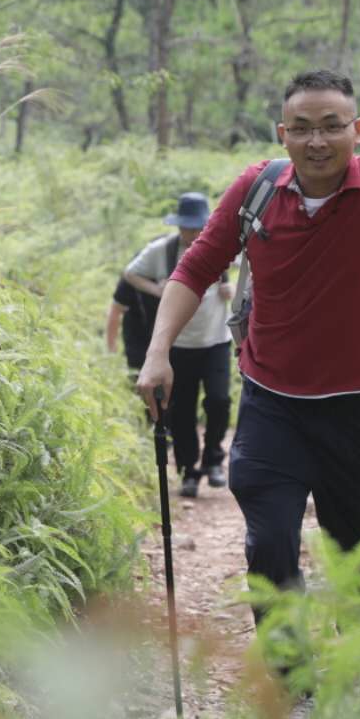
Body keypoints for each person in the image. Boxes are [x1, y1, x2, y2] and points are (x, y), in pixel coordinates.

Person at [135, 0, 360, 613]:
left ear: (357, 130)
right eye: (302, 128)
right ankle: (288, 669)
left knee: (359, 559)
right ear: (282, 134)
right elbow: (196, 267)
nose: (316, 140)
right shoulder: (257, 189)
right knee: (269, 548)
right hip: (273, 405)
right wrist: (158, 352)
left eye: (331, 125)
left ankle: (359, 667)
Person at [124, 192, 234, 497]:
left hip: (215, 341)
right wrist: (157, 290)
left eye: (198, 226)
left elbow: (254, 264)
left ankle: (213, 460)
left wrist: (233, 289)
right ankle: (188, 471)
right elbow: (130, 273)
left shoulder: (222, 244)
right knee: (182, 410)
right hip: (178, 344)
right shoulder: (162, 251)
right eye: (188, 227)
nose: (193, 233)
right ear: (178, 225)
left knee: (219, 401)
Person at [105, 276, 155, 371]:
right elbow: (115, 311)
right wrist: (112, 349)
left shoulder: (176, 273)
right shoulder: (132, 274)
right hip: (137, 344)